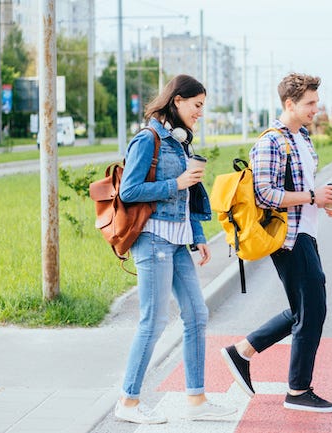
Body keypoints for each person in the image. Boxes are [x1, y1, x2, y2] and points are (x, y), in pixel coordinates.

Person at [115, 74, 236, 424]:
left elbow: (186, 199)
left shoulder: (180, 143)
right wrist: (175, 182)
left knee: (197, 314)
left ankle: (197, 400)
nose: (200, 112)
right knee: (153, 321)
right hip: (152, 240)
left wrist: (197, 234)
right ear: (177, 100)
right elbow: (129, 191)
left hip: (177, 241)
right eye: (197, 105)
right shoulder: (147, 140)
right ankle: (128, 401)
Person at [221, 73, 332, 413]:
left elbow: (304, 191)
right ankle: (298, 390)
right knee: (313, 310)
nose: (316, 109)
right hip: (288, 239)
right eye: (310, 104)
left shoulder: (302, 137)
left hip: (306, 232)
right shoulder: (271, 142)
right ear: (289, 104)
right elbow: (264, 194)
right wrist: (312, 197)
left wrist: (324, 202)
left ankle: (242, 351)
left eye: (317, 103)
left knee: (303, 310)